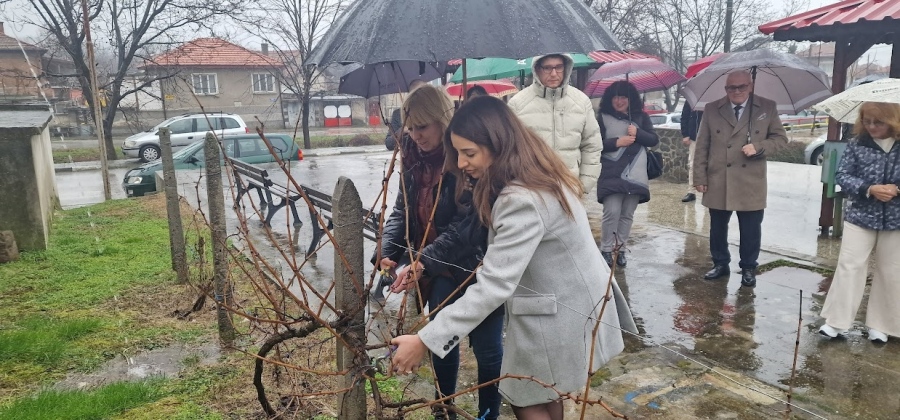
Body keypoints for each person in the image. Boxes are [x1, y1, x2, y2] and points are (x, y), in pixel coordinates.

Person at [390, 96, 637, 420]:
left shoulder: (520, 198)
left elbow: (494, 285)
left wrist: (424, 340)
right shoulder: (537, 172)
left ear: (497, 144)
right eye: (459, 153)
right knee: (545, 390)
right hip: (575, 303)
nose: (461, 163)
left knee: (527, 396)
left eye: (469, 153)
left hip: (559, 312)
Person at [376, 84, 502, 420]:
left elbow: (466, 226)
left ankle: (489, 412)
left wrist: (424, 260)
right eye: (410, 128)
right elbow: (403, 209)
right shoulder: (412, 159)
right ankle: (443, 408)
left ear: (442, 121)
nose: (416, 135)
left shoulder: (465, 160)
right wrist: (388, 248)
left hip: (474, 265)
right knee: (441, 338)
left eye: (423, 126)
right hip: (436, 268)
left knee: (488, 349)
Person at [693, 71, 787, 288]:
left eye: (741, 87)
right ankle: (720, 263)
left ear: (750, 86)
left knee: (751, 229)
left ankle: (748, 267)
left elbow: (781, 138)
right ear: (725, 89)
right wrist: (699, 176)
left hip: (750, 180)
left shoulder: (767, 107)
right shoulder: (712, 108)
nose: (736, 91)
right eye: (731, 88)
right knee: (717, 227)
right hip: (719, 178)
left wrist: (759, 147)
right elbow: (702, 145)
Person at [818, 101, 900, 343]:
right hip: (861, 216)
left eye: (879, 122)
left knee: (891, 271)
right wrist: (869, 188)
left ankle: (881, 325)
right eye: (867, 121)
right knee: (849, 266)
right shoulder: (856, 144)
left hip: (896, 219)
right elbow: (842, 175)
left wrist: (896, 189)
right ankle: (836, 321)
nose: (872, 126)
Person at [508, 54, 603, 193]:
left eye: (558, 67)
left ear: (566, 68)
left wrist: (583, 186)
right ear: (537, 69)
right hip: (531, 190)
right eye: (547, 68)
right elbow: (509, 149)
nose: (554, 73)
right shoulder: (517, 104)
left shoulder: (581, 102)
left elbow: (592, 146)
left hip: (570, 188)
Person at [595, 81, 659, 268]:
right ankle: (606, 250)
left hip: (636, 172)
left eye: (623, 97)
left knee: (627, 214)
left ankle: (620, 250)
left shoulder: (640, 117)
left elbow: (654, 140)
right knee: (611, 212)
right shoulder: (603, 117)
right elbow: (595, 144)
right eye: (616, 97)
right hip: (612, 171)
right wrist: (617, 142)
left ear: (630, 99)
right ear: (610, 99)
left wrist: (638, 133)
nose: (619, 101)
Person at [384, 79, 427, 150]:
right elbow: (389, 144)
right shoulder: (398, 114)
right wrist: (402, 130)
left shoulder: (432, 112)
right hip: (408, 157)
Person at [680, 101, 703, 202]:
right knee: (692, 164)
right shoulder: (692, 99)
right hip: (695, 137)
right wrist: (685, 134)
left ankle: (710, 191)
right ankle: (691, 191)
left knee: (712, 165)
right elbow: (685, 116)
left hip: (713, 137)